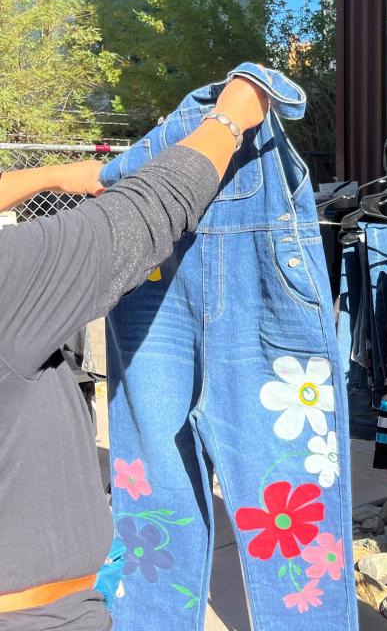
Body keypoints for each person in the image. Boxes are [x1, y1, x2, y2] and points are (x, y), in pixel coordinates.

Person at [0, 77, 269, 630]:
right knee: (272, 503)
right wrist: (229, 118)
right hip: (40, 617)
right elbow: (140, 219)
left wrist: (50, 177)